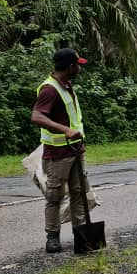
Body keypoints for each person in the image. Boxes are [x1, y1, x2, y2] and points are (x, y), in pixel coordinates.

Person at [31, 48, 89, 254]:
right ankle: (52, 237)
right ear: (71, 66)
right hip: (57, 154)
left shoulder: (66, 85)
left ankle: (81, 235)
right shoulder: (49, 90)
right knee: (55, 196)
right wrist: (65, 130)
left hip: (76, 150)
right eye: (78, 65)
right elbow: (37, 117)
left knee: (79, 194)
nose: (80, 68)